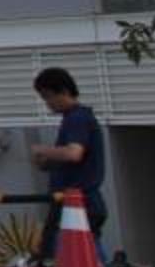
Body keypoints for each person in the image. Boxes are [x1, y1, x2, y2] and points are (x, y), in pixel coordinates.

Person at [31, 66, 109, 249]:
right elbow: (72, 159)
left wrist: (43, 150)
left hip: (77, 202)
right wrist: (48, 163)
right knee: (85, 252)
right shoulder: (75, 118)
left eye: (49, 96)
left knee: (66, 253)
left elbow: (74, 153)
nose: (47, 103)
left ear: (64, 91)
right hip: (78, 201)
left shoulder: (77, 118)